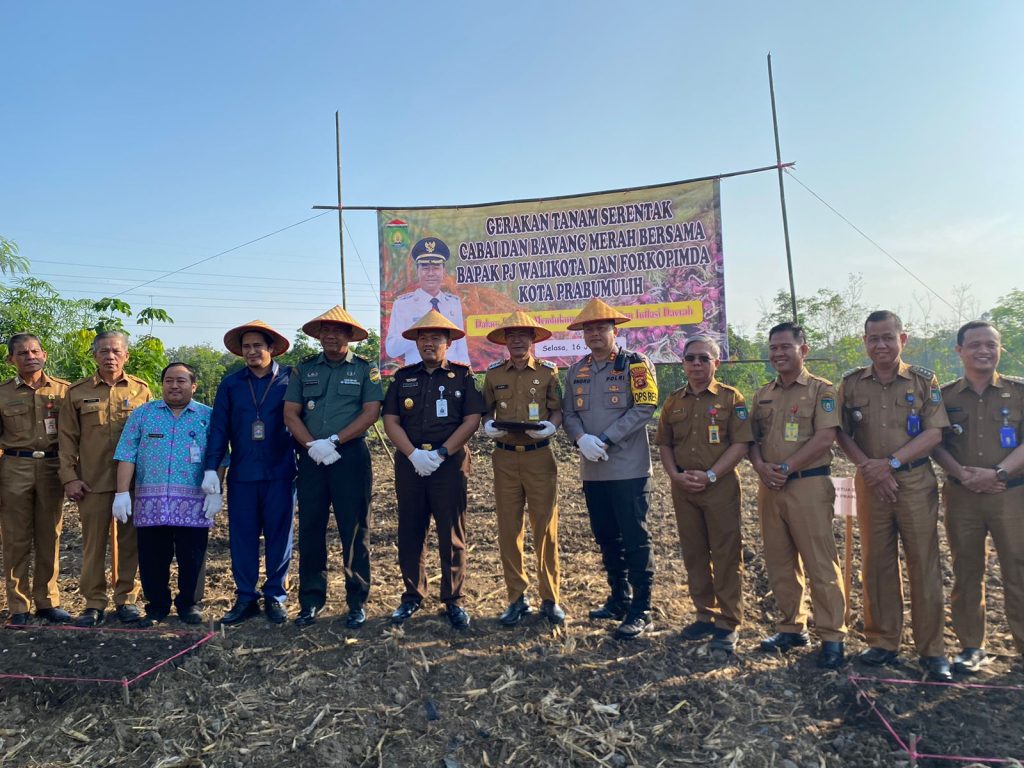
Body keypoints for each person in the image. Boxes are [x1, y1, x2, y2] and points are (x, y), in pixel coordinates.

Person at [837, 310, 951, 681]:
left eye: (888, 337)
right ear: (865, 342)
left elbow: (934, 433)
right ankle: (883, 641)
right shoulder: (851, 384)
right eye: (873, 338)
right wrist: (871, 467)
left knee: (924, 563)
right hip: (870, 483)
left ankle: (932, 651)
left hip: (914, 482)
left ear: (903, 340)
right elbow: (841, 434)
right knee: (877, 563)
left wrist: (891, 463)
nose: (881, 345)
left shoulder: (923, 381)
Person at [749, 322, 847, 669]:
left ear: (803, 350)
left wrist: (786, 467)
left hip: (807, 484)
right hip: (771, 486)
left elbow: (825, 438)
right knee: (780, 561)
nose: (778, 353)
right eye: (773, 348)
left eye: (785, 347)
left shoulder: (821, 390)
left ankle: (832, 635)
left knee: (820, 561)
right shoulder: (763, 394)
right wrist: (761, 467)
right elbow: (752, 440)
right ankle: (792, 626)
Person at [382, 309, 486, 630]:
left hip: (450, 465)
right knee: (411, 529)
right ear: (416, 342)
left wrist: (442, 453)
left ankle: (453, 599)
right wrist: (413, 454)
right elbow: (390, 420)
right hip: (411, 464)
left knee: (451, 531)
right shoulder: (403, 377)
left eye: (436, 338)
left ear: (448, 343)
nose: (429, 343)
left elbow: (472, 420)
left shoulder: (462, 376)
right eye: (423, 337)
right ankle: (412, 594)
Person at [562, 298, 658, 640]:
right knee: (606, 537)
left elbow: (645, 406)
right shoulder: (577, 370)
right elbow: (569, 413)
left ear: (614, 331)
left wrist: (604, 438)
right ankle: (619, 597)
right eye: (589, 329)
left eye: (601, 327)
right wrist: (581, 440)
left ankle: (642, 608)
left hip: (628, 468)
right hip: (593, 470)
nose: (595, 334)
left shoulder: (635, 363)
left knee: (635, 538)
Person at [932, 321, 1024, 674]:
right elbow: (936, 442)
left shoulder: (1018, 392)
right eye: (974, 345)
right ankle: (972, 646)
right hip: (962, 497)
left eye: (991, 344)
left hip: (1010, 495)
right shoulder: (947, 396)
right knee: (966, 570)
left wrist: (998, 473)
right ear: (960, 350)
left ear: (1000, 348)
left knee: (1018, 570)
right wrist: (962, 475)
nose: (983, 351)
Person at [283, 306, 383, 629]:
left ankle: (356, 602)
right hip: (311, 457)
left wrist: (335, 441)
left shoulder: (365, 370)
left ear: (349, 336)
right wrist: (313, 445)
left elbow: (370, 412)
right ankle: (311, 601)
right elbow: (290, 414)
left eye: (338, 330)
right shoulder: (304, 369)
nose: (330, 335)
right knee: (310, 529)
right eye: (325, 330)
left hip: (350, 456)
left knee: (353, 530)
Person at [654, 335, 751, 654]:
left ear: (716, 363)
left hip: (719, 487)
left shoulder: (731, 398)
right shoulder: (673, 401)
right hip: (684, 489)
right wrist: (675, 475)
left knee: (725, 553)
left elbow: (740, 444)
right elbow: (665, 443)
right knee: (694, 552)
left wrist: (710, 475)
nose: (696, 364)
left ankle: (727, 622)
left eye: (703, 359)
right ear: (683, 363)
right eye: (690, 358)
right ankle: (703, 614)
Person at [113, 362, 219, 626]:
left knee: (192, 554)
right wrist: (122, 492)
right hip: (151, 500)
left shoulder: (208, 416)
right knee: (152, 556)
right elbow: (127, 454)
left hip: (194, 500)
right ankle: (157, 605)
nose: (174, 386)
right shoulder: (143, 415)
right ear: (162, 384)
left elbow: (219, 457)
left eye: (181, 381)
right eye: (169, 380)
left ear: (193, 386)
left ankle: (189, 604)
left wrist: (216, 491)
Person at [205, 320, 295, 625]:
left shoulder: (290, 379)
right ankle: (245, 597)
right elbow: (219, 429)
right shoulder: (231, 384)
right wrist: (210, 470)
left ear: (271, 348)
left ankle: (275, 595)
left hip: (281, 471)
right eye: (247, 346)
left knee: (279, 536)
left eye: (258, 345)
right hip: (243, 473)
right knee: (242, 537)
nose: (252, 351)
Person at [59, 331, 151, 626]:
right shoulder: (76, 392)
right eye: (103, 352)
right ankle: (94, 602)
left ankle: (127, 599)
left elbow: (150, 438)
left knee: (129, 543)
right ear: (94, 355)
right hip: (92, 483)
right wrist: (69, 478)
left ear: (126, 355)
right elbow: (66, 440)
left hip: (133, 484)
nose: (110, 357)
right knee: (93, 545)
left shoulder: (141, 391)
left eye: (115, 351)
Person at [482, 309, 565, 626]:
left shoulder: (548, 373)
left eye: (523, 335)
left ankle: (550, 598)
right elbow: (485, 410)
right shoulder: (493, 375)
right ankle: (517, 598)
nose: (517, 340)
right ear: (504, 341)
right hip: (503, 457)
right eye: (511, 335)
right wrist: (488, 424)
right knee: (509, 530)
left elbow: (557, 411)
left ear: (533, 340)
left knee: (545, 529)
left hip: (538, 456)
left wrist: (551, 428)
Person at [0, 334, 71, 625]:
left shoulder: (65, 391)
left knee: (49, 535)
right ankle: (18, 605)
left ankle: (47, 601)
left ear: (44, 354)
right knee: (15, 538)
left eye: (35, 351)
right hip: (15, 466)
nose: (30, 356)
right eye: (22, 352)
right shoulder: (2, 393)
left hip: (52, 467)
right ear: (10, 359)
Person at [384, 237, 470, 366]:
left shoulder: (453, 303)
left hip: (450, 375)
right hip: (418, 376)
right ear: (417, 271)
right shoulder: (403, 305)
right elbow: (392, 350)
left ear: (443, 271)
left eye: (436, 268)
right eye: (425, 268)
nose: (430, 273)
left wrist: (467, 373)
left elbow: (461, 347)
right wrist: (416, 333)